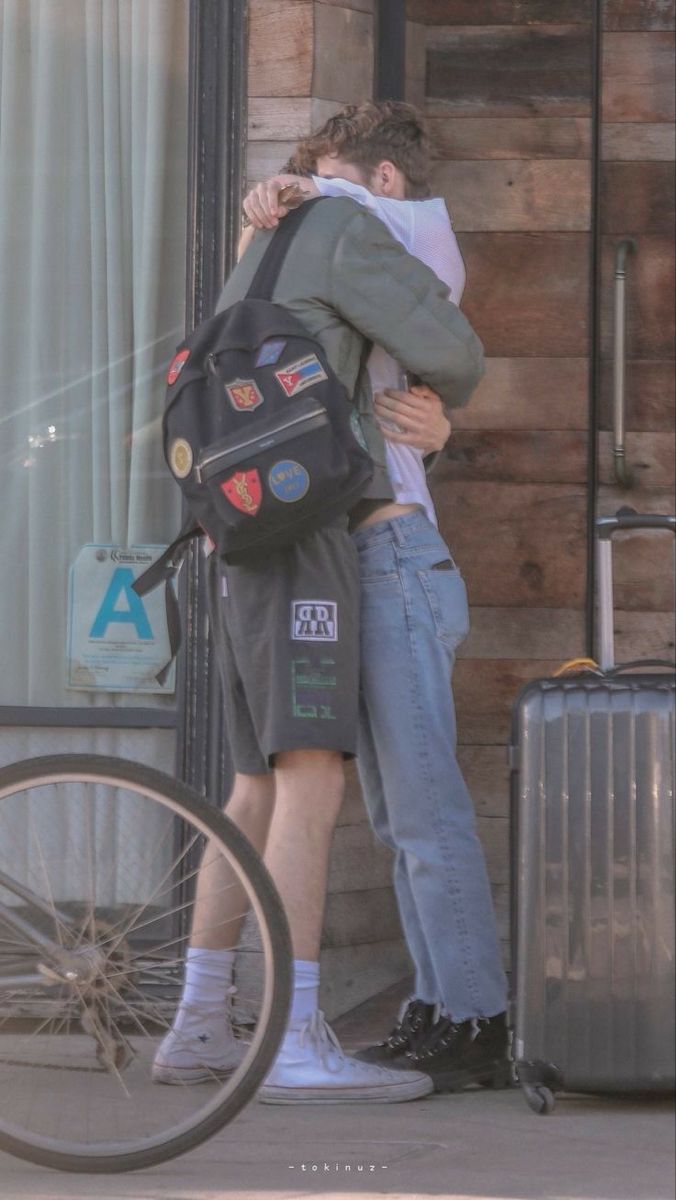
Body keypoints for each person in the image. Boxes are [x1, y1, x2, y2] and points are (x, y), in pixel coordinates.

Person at [152, 101, 486, 1104]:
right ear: (382, 178)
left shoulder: (259, 237)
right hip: (309, 535)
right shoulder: (344, 222)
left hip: (236, 533)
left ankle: (199, 1023)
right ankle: (294, 1039)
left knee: (252, 788)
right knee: (311, 785)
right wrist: (433, 403)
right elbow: (459, 353)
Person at [239, 101, 511, 1094]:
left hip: (397, 556)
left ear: (379, 181)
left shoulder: (408, 227)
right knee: (401, 816)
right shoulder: (362, 247)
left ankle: (477, 1017)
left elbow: (445, 333)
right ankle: (442, 1006)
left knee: (424, 808)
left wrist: (305, 191)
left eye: (335, 180)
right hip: (362, 557)